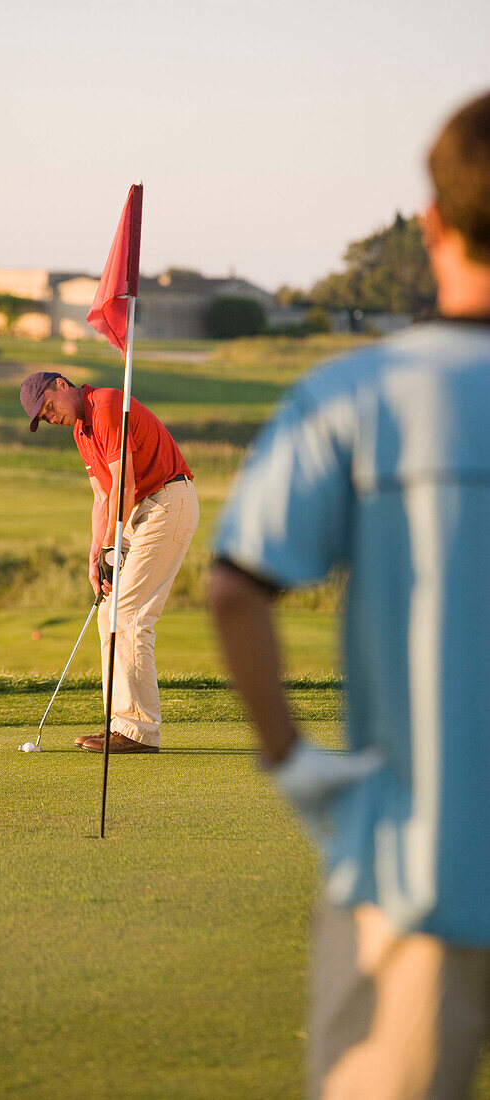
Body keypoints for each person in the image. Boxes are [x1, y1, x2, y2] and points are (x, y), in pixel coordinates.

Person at [210, 90, 490, 1099]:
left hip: (408, 871)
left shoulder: (352, 393)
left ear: (432, 222)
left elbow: (237, 591)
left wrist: (288, 758)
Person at [20, 372, 199, 753]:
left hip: (167, 502)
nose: (52, 417)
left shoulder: (107, 406)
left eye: (50, 406)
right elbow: (103, 496)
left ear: (62, 385)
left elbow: (126, 485)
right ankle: (120, 721)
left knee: (129, 613)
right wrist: (95, 554)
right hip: (143, 511)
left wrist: (109, 546)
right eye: (44, 417)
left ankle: (138, 731)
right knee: (108, 613)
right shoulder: (82, 432)